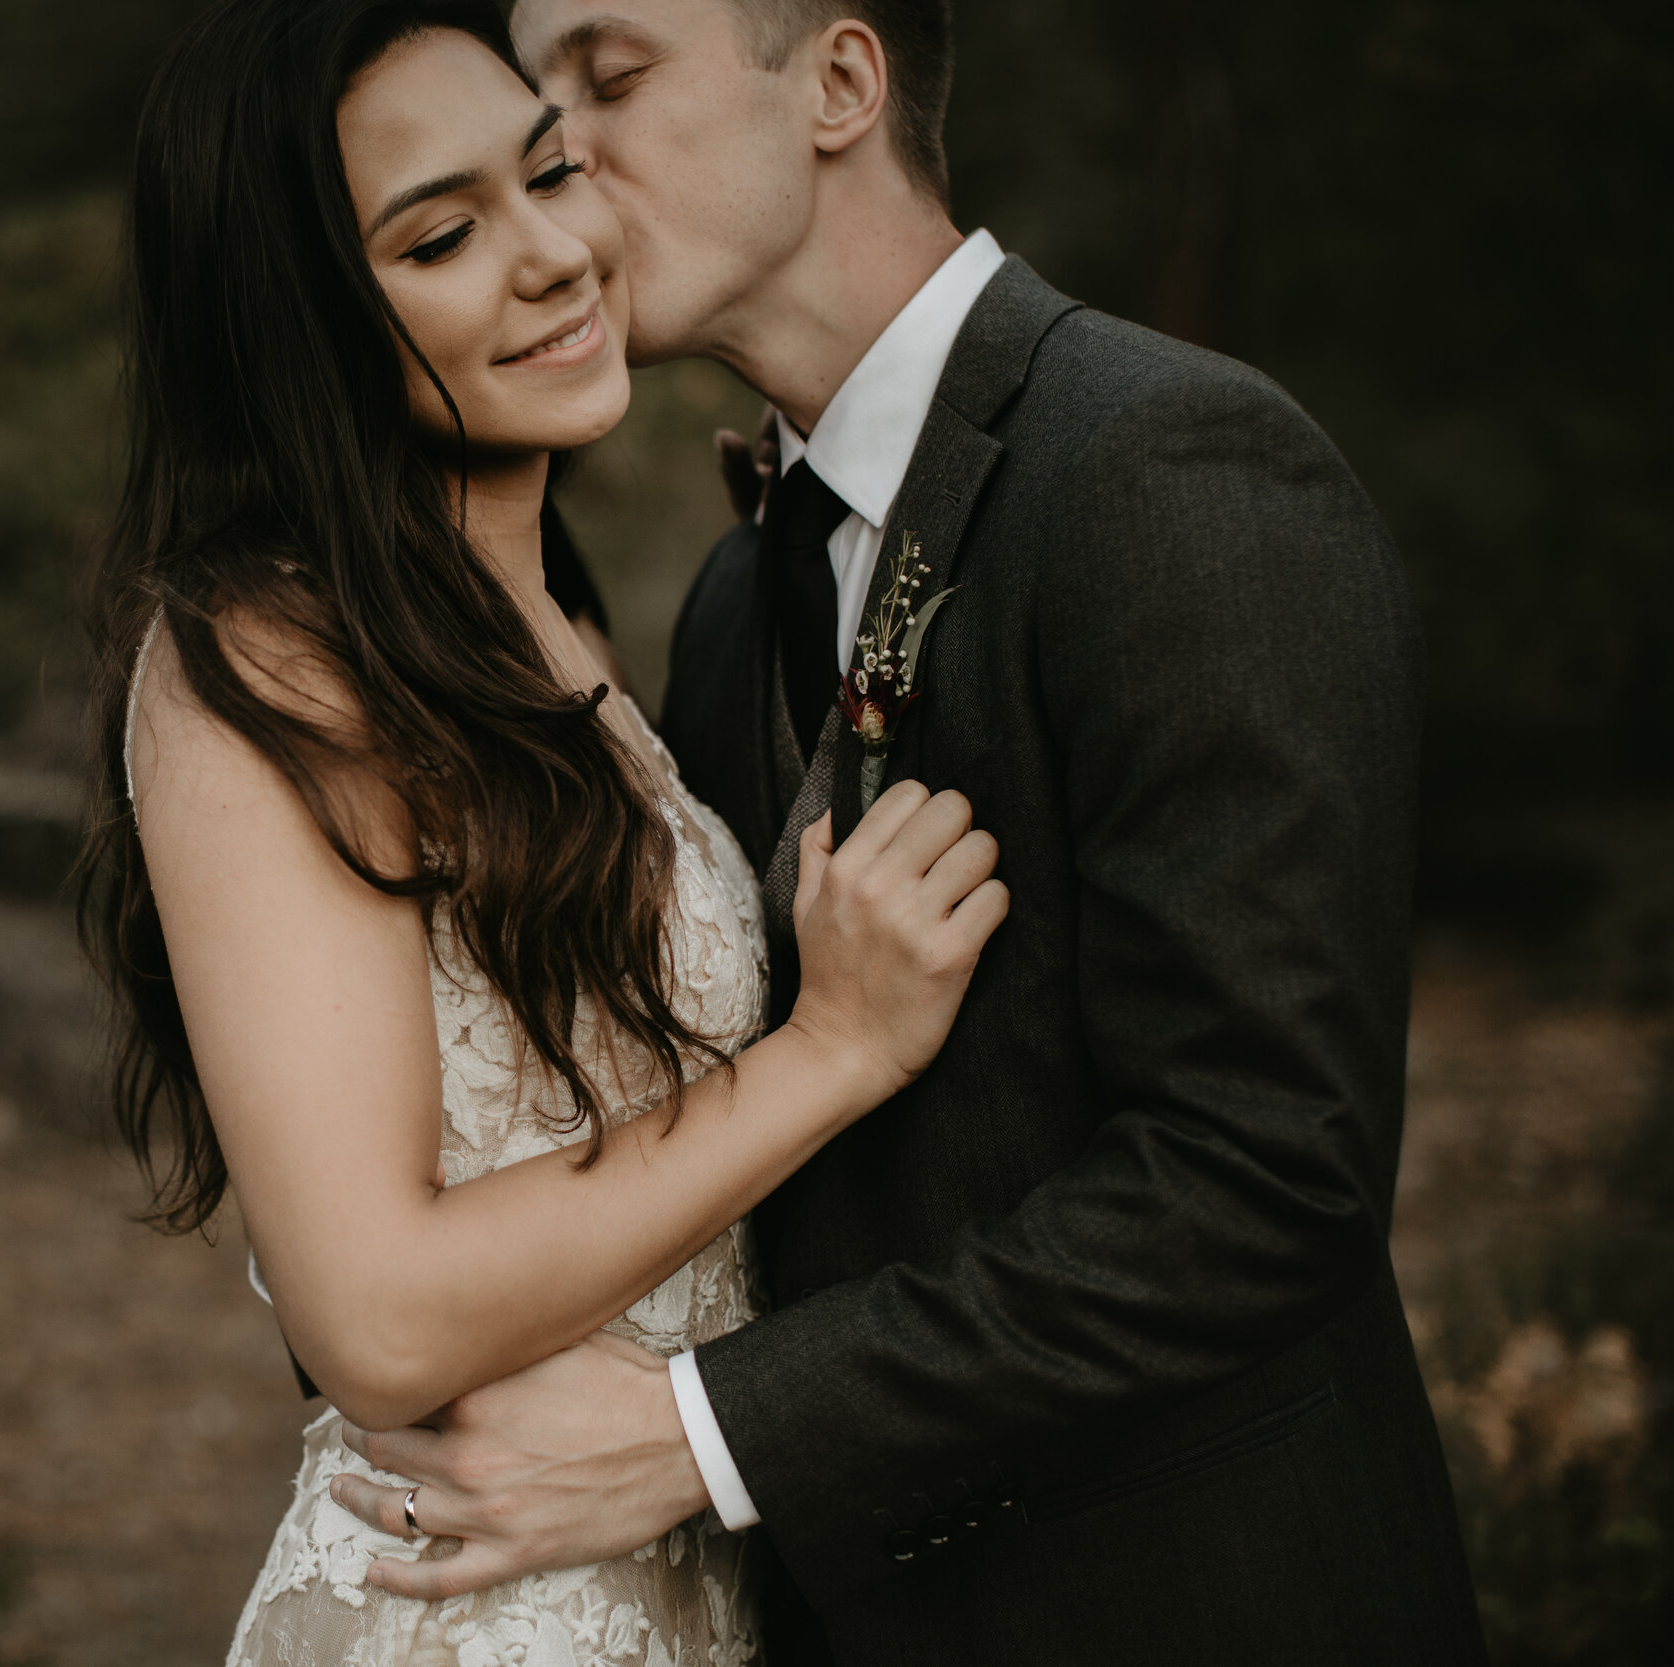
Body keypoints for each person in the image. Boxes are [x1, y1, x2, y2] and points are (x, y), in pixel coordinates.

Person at [321, 1, 1490, 1662]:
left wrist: (700, 1435)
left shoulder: (1174, 473)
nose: (556, 155)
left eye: (610, 80)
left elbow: (1264, 1171)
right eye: (534, 100)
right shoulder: (737, 598)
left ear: (842, 86)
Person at [82, 0, 1009, 1660]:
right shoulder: (263, 660)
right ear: (303, 320)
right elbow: (370, 1313)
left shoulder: (549, 622)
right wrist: (834, 1051)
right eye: (443, 234)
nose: (556, 253)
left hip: (677, 1580)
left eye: (552, 172)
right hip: (480, 1613)